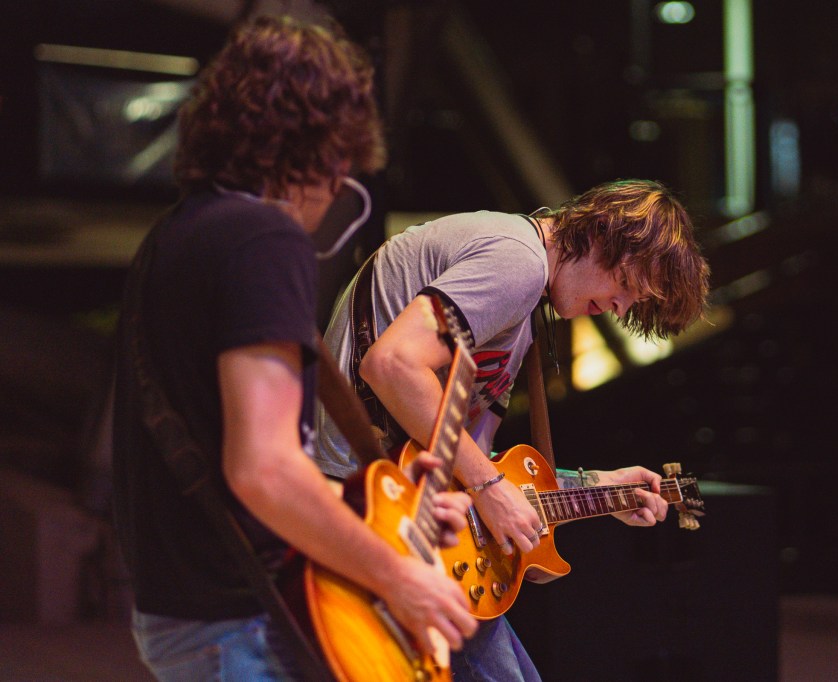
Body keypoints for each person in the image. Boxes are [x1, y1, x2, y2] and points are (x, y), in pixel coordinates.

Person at [111, 15, 476, 681]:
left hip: (184, 614)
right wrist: (399, 576)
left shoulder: (174, 236)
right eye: (343, 166)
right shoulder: (263, 239)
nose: (339, 190)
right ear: (326, 152)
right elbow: (266, 470)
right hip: (246, 620)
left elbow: (232, 455)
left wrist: (387, 515)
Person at [315, 178, 711, 680]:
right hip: (371, 505)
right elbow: (392, 364)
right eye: (628, 286)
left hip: (406, 508)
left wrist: (596, 486)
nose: (621, 307)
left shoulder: (523, 310)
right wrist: (489, 485)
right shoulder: (517, 261)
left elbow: (471, 465)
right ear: (605, 236)